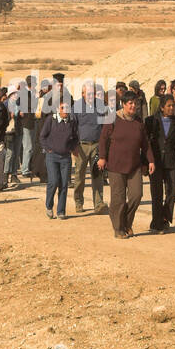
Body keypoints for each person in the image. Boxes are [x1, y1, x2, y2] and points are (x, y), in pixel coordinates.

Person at [98, 93, 155, 238]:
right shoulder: (112, 119)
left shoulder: (138, 122)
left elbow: (145, 144)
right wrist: (102, 157)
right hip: (115, 166)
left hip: (134, 165)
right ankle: (118, 229)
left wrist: (151, 160)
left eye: (135, 103)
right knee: (119, 199)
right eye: (130, 103)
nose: (133, 106)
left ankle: (126, 223)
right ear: (123, 104)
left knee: (137, 195)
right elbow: (103, 139)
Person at [146, 90, 175, 231]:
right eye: (168, 106)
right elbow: (145, 143)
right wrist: (144, 162)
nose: (171, 108)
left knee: (173, 192)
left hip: (171, 161)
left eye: (173, 106)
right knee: (157, 194)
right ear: (162, 107)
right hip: (155, 162)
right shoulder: (151, 121)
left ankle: (164, 217)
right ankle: (157, 224)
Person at [71, 81, 108, 213]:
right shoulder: (76, 106)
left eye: (93, 93)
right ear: (82, 94)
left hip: (97, 145)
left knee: (97, 174)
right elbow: (72, 127)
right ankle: (78, 202)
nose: (91, 96)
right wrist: (73, 146)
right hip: (81, 146)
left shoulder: (101, 106)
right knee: (79, 175)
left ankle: (98, 204)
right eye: (88, 93)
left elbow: (106, 127)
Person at [39, 99, 79, 219]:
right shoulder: (51, 120)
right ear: (58, 109)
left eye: (67, 108)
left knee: (64, 183)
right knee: (53, 181)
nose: (65, 110)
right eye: (63, 108)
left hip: (65, 157)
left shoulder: (72, 121)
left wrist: (71, 148)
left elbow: (76, 137)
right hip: (52, 156)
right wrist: (47, 149)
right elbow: (42, 136)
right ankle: (49, 206)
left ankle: (61, 211)